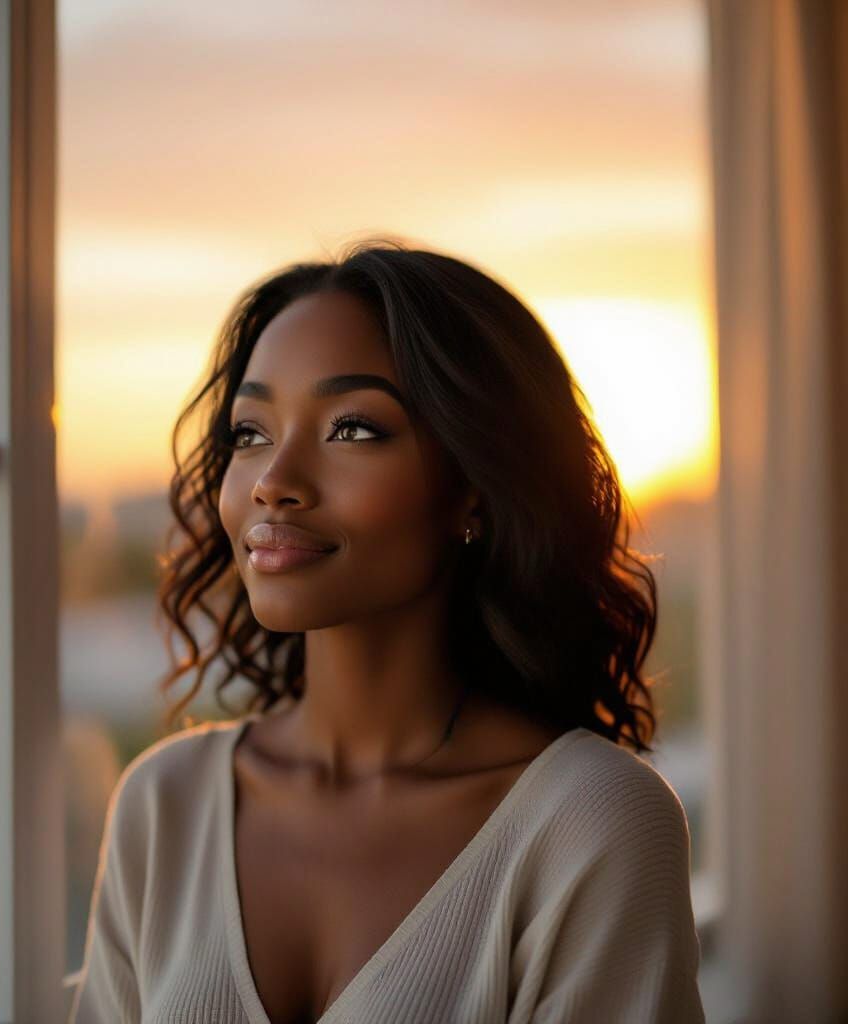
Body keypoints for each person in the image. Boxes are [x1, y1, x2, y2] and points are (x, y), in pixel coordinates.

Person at [70, 238, 705, 1024]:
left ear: (473, 487)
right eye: (250, 432)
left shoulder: (593, 822)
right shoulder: (164, 806)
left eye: (353, 430)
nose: (274, 481)